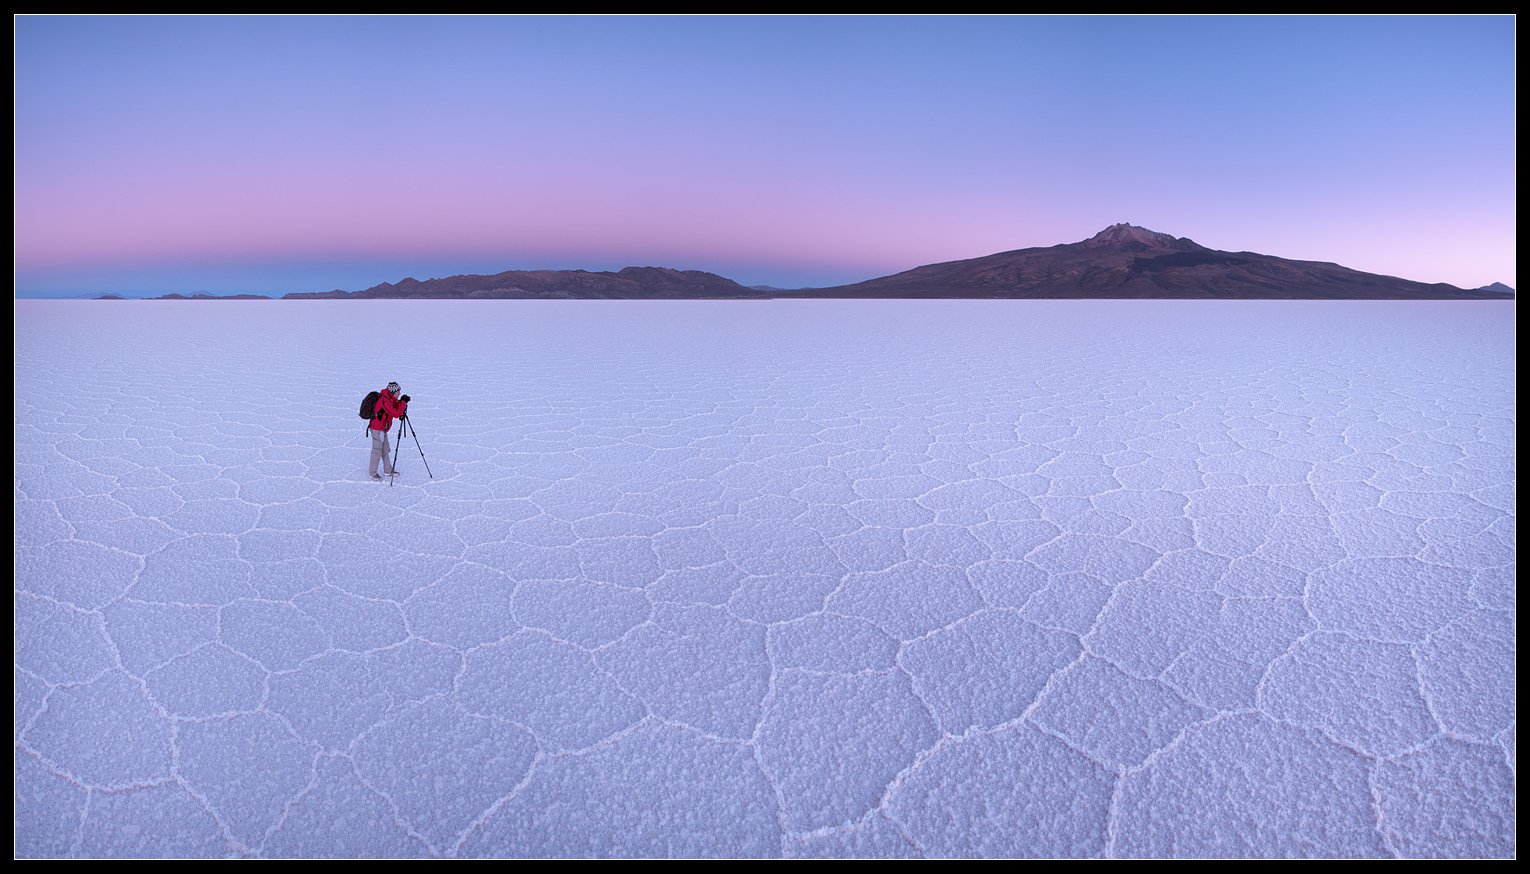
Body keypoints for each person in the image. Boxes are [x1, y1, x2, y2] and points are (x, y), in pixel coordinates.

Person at [368, 381, 410, 480]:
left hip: (383, 428)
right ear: (393, 391)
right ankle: (372, 473)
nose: (399, 394)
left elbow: (394, 405)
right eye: (398, 392)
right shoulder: (384, 400)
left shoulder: (390, 398)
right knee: (377, 450)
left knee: (385, 449)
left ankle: (388, 470)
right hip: (377, 428)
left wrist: (401, 401)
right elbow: (396, 413)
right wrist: (403, 402)